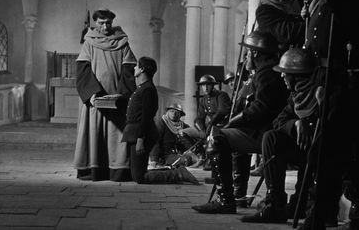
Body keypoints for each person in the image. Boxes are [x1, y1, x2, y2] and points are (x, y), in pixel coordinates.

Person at [300, 0, 359, 229]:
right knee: (347, 147)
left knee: (331, 148)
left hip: (352, 73)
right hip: (333, 73)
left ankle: (323, 213)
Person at [191, 31, 288, 214]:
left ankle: (225, 200)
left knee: (216, 137)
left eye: (248, 53)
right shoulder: (265, 71)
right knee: (222, 135)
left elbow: (260, 109)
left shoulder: (266, 73)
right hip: (262, 131)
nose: (246, 57)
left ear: (256, 53)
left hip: (265, 134)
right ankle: (237, 194)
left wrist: (233, 122)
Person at [241, 48, 319, 224]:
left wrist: (310, 128)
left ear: (296, 74)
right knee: (271, 137)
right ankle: (274, 204)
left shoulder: (320, 95)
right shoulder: (296, 97)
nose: (282, 77)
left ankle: (303, 200)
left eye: (285, 73)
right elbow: (279, 121)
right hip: (302, 152)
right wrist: (296, 124)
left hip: (320, 154)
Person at [73, 9, 137, 182]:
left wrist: (122, 96)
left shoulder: (122, 42)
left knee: (116, 134)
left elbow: (128, 72)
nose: (105, 26)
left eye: (108, 22)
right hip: (96, 99)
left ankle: (117, 171)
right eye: (101, 22)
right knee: (95, 133)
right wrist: (93, 94)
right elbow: (83, 71)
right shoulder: (89, 42)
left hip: (116, 98)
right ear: (95, 23)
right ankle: (94, 170)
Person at [121, 57, 199, 185]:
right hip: (135, 134)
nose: (134, 68)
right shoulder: (143, 88)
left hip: (140, 135)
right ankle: (176, 172)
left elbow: (146, 116)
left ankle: (177, 174)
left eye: (137, 66)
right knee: (137, 174)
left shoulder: (148, 89)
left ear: (142, 69)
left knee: (139, 178)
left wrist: (141, 139)